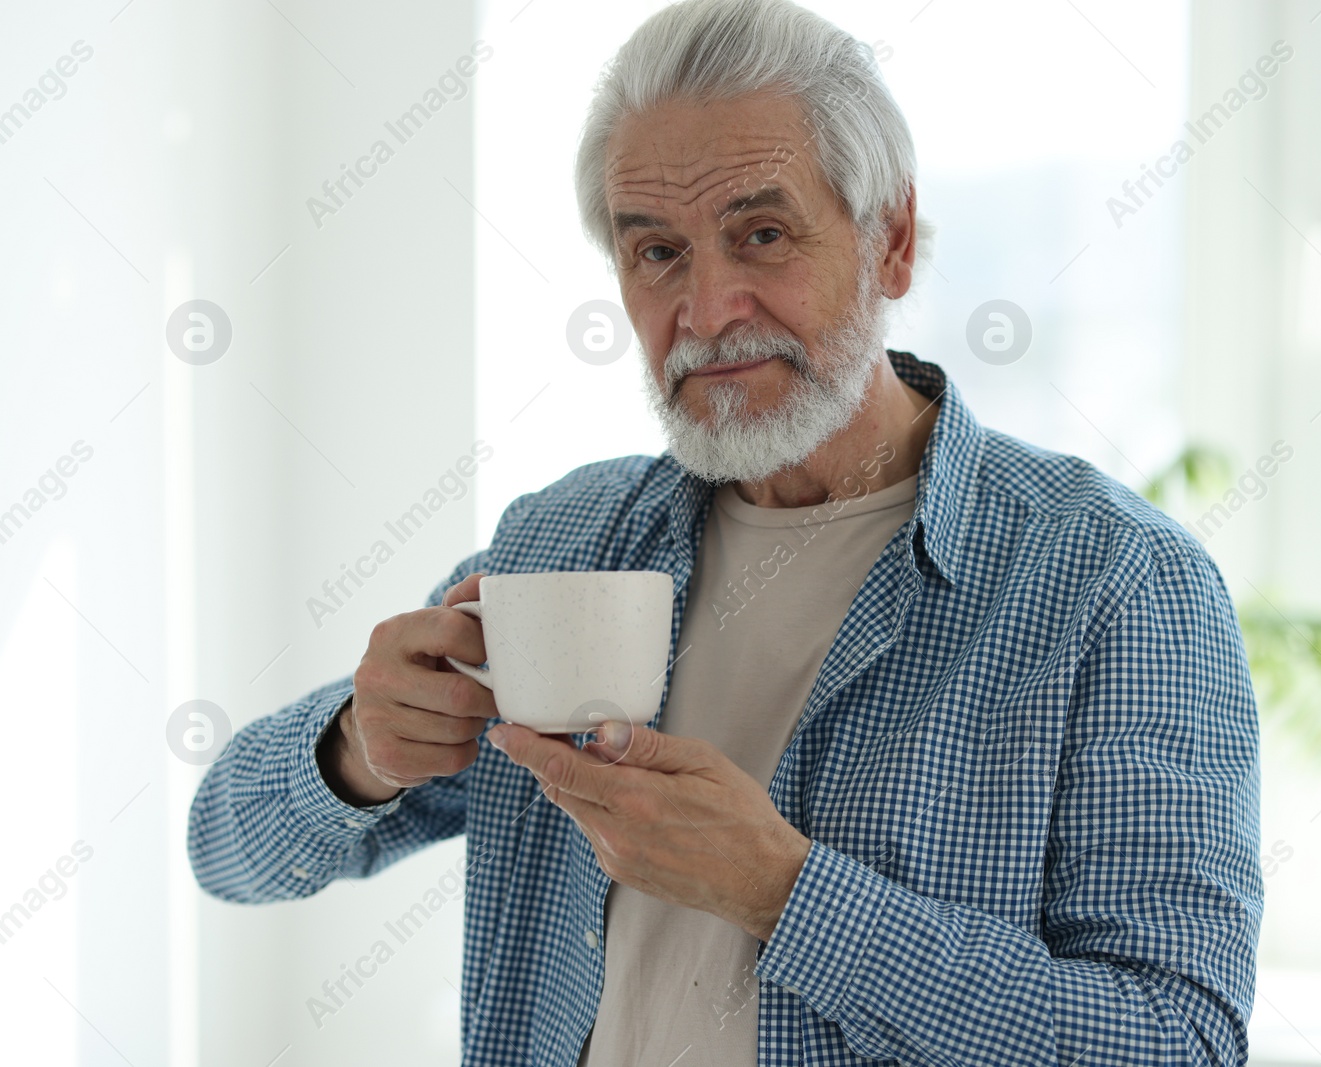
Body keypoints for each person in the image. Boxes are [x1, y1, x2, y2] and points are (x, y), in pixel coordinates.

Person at [188, 1, 1264, 1063]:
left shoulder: (1114, 582)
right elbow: (226, 847)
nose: (706, 310)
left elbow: (1175, 1038)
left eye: (760, 233)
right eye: (656, 251)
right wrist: (355, 749)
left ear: (889, 241)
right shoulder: (562, 542)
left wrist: (782, 892)